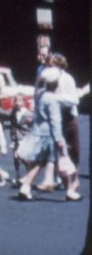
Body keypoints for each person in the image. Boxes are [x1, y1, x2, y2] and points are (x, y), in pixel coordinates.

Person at [17, 67, 81, 202]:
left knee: (48, 161)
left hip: (39, 132)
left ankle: (27, 186)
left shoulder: (40, 94)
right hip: (51, 135)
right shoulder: (52, 99)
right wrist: (59, 139)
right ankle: (69, 190)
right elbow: (55, 120)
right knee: (61, 160)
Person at [52, 53, 81, 191]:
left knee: (73, 150)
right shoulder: (49, 79)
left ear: (59, 64)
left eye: (52, 63)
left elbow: (74, 100)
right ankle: (61, 179)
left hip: (69, 117)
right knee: (58, 149)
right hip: (56, 118)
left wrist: (57, 98)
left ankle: (75, 180)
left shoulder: (68, 78)